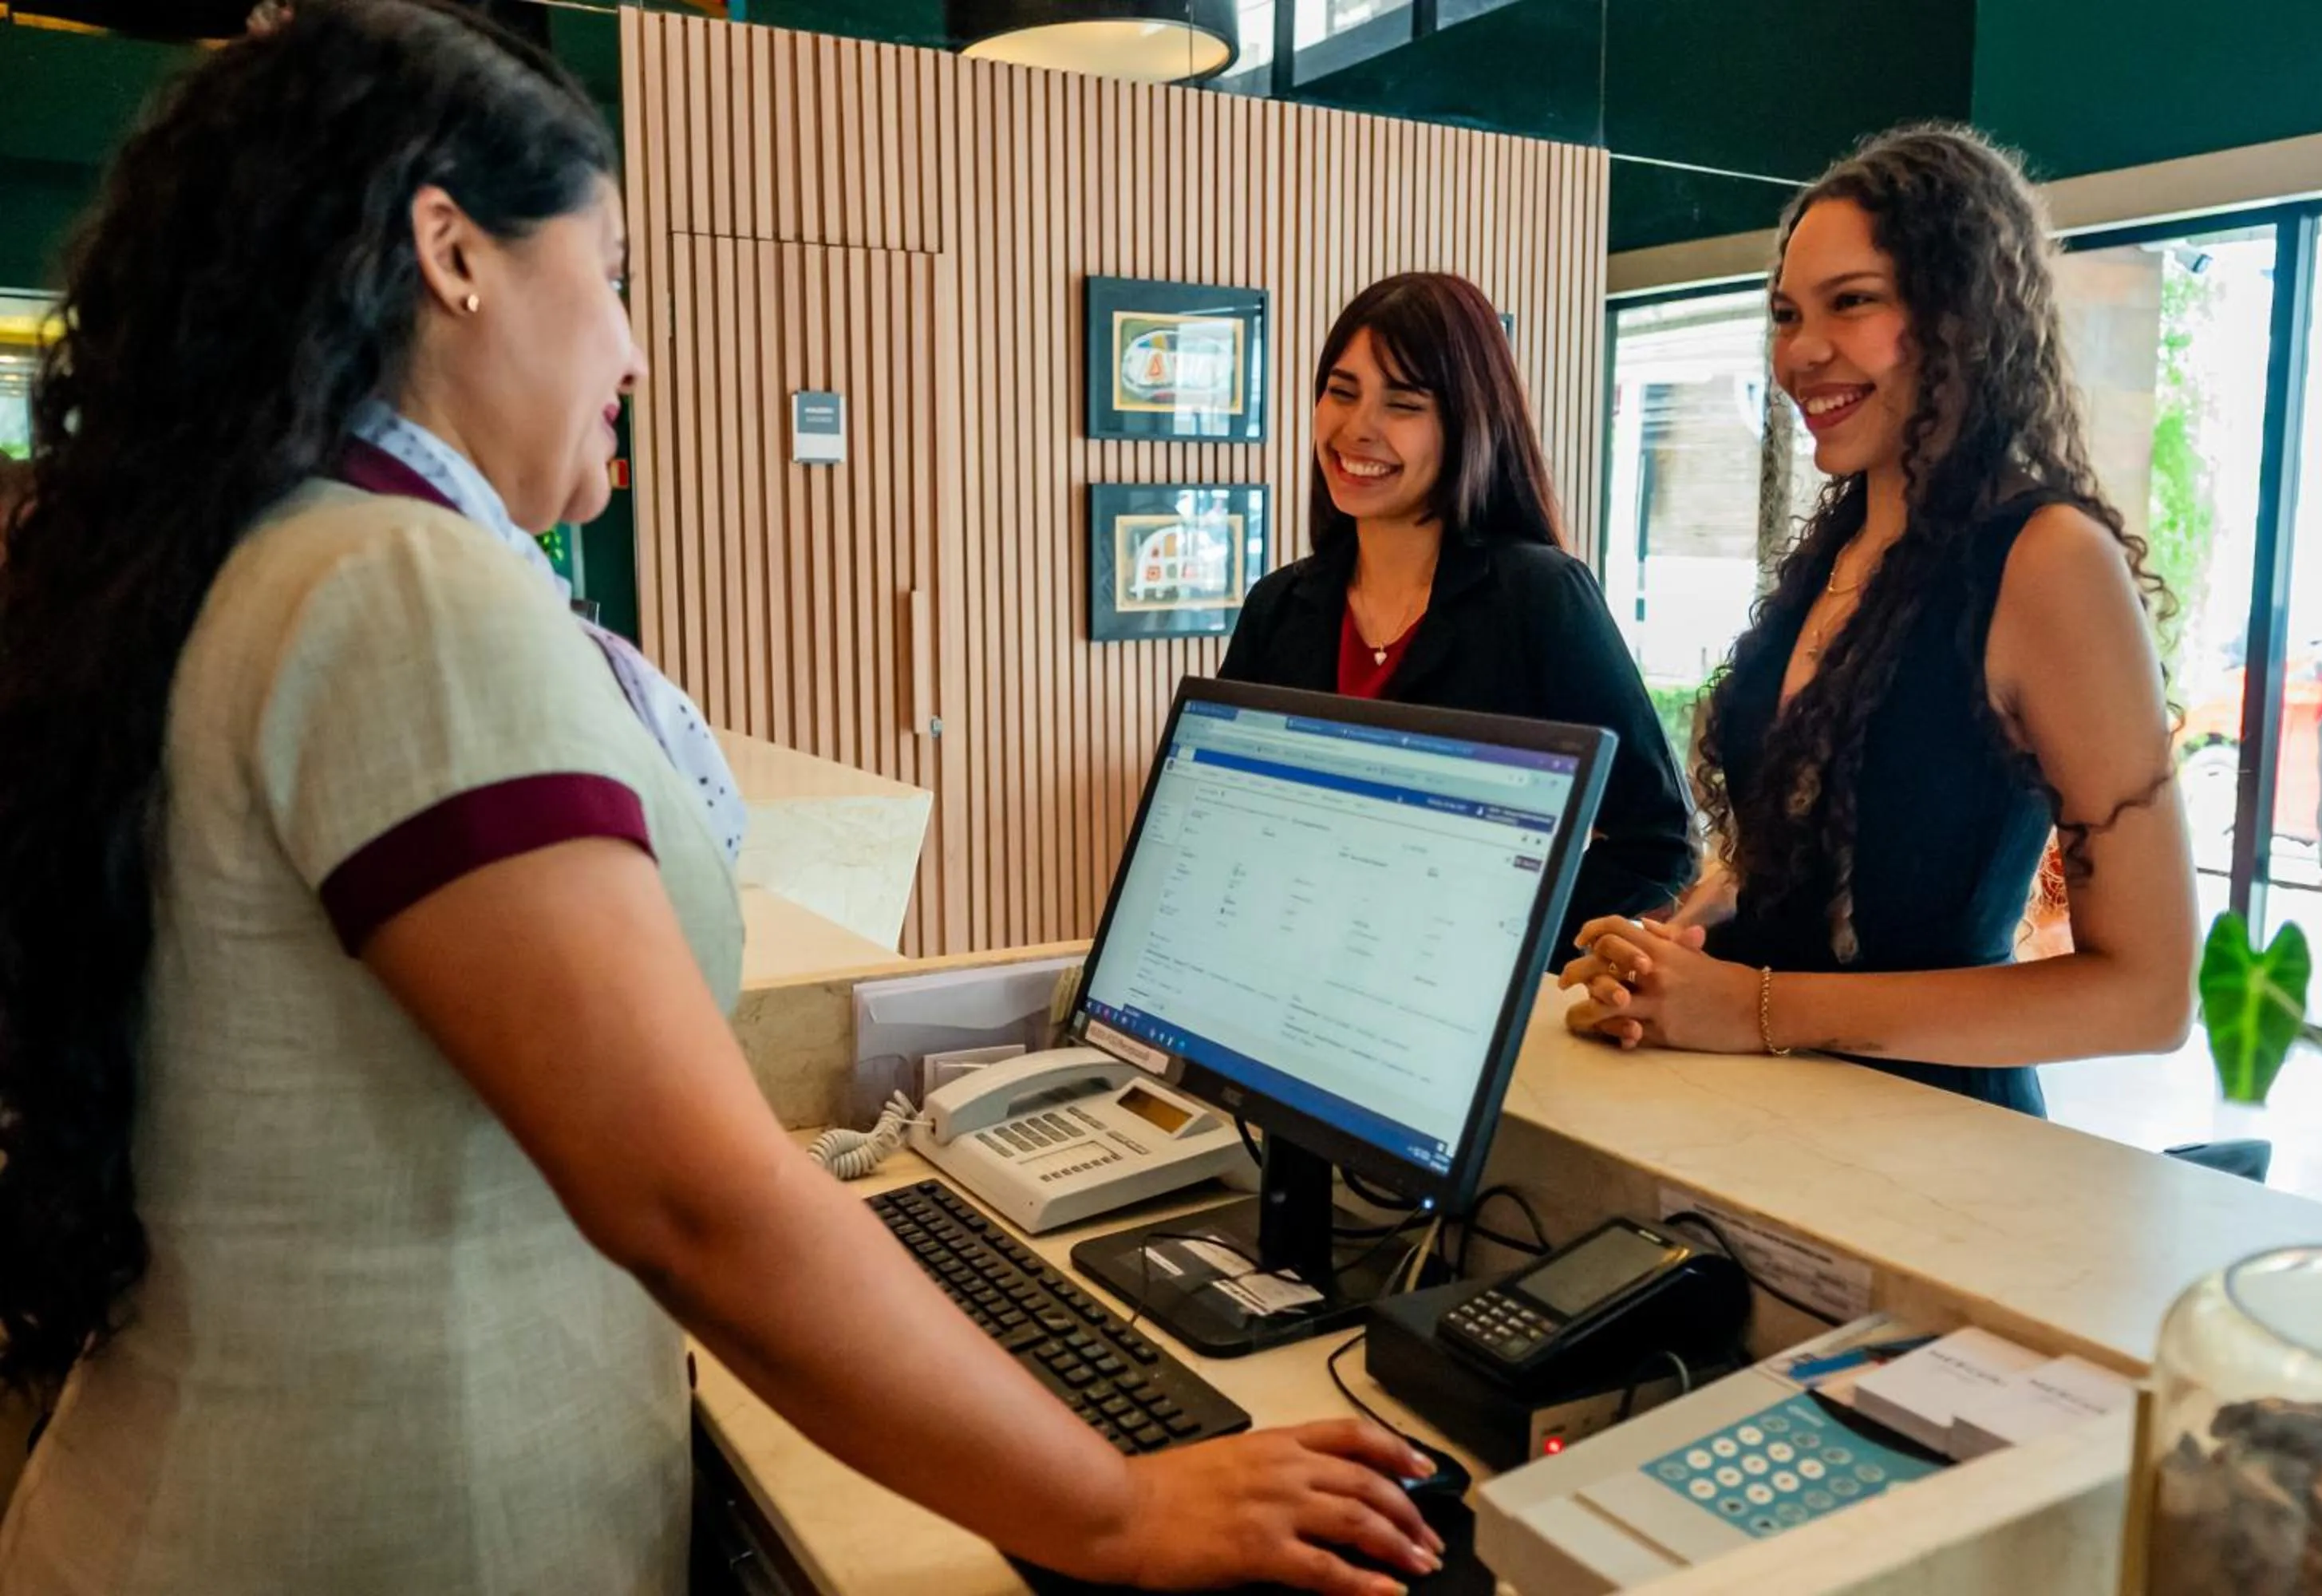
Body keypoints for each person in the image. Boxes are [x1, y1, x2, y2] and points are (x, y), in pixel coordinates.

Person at [0, 6, 1439, 1592]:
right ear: (451, 250)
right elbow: (691, 1199)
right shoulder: (402, 589)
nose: (630, 344)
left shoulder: (274, 553)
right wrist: (1120, 1505)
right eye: (610, 275)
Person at [1561, 125, 2198, 1116]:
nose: (1801, 352)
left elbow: (2146, 995)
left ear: (1964, 314)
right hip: (1771, 1122)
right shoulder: (1845, 545)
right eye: (1785, 314)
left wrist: (1758, 1007)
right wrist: (1683, 937)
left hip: (1936, 1140)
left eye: (1852, 302)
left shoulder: (2050, 560)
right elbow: (1820, 838)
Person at [1219, 272, 1696, 969]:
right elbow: (1234, 817)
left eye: (1403, 404)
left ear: (1467, 422)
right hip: (1299, 977)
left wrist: (1505, 951)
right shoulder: (1277, 606)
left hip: (1455, 1008)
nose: (1357, 429)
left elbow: (1658, 840)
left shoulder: (1541, 597)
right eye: (1341, 392)